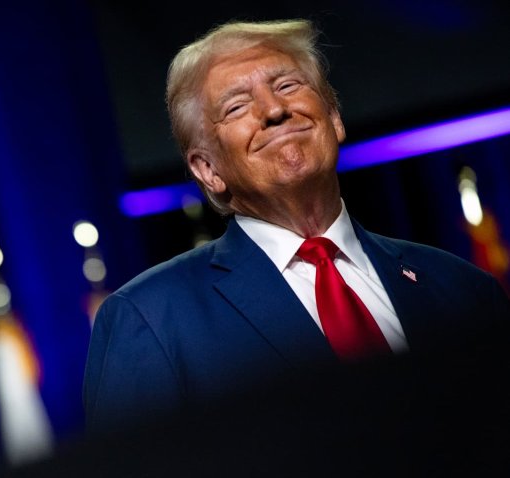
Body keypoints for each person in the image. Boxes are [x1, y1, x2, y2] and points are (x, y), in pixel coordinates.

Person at [82, 19, 510, 435]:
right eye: (236, 106)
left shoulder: (462, 289)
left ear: (334, 118)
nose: (274, 109)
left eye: (287, 85)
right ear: (208, 169)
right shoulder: (151, 321)